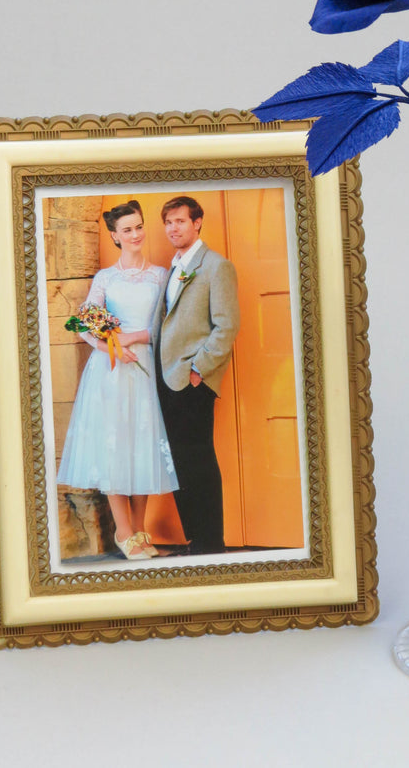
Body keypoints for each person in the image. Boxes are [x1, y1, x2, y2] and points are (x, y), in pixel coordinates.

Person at [57, 199, 178, 560]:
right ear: (115, 235)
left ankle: (140, 530)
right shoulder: (105, 278)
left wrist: (132, 338)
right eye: (127, 229)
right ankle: (123, 531)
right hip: (111, 372)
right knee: (114, 447)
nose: (136, 233)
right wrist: (111, 345)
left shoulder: (161, 275)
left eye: (139, 226)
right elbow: (85, 325)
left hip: (146, 370)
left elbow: (168, 327)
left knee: (142, 446)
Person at [152, 195, 240, 555]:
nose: (174, 229)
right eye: (169, 223)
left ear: (197, 222)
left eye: (180, 221)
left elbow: (227, 327)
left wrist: (197, 371)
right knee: (177, 461)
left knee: (199, 459)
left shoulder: (216, 266)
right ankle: (195, 541)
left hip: (192, 379)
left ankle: (211, 544)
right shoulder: (173, 267)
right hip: (165, 378)